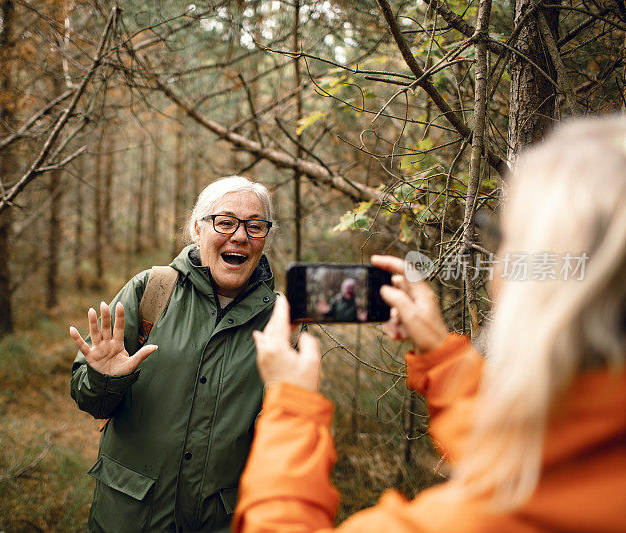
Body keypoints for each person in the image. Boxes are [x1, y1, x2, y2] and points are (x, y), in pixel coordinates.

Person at [233, 116, 626, 532]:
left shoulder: (477, 520)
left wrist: (291, 405)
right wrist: (443, 359)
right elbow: (552, 447)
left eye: (507, 241)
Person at [69, 176, 277, 532]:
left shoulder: (281, 322)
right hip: (130, 516)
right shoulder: (151, 290)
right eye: (225, 222)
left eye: (255, 226)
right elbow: (92, 402)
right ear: (198, 228)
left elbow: (285, 437)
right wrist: (105, 379)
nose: (240, 236)